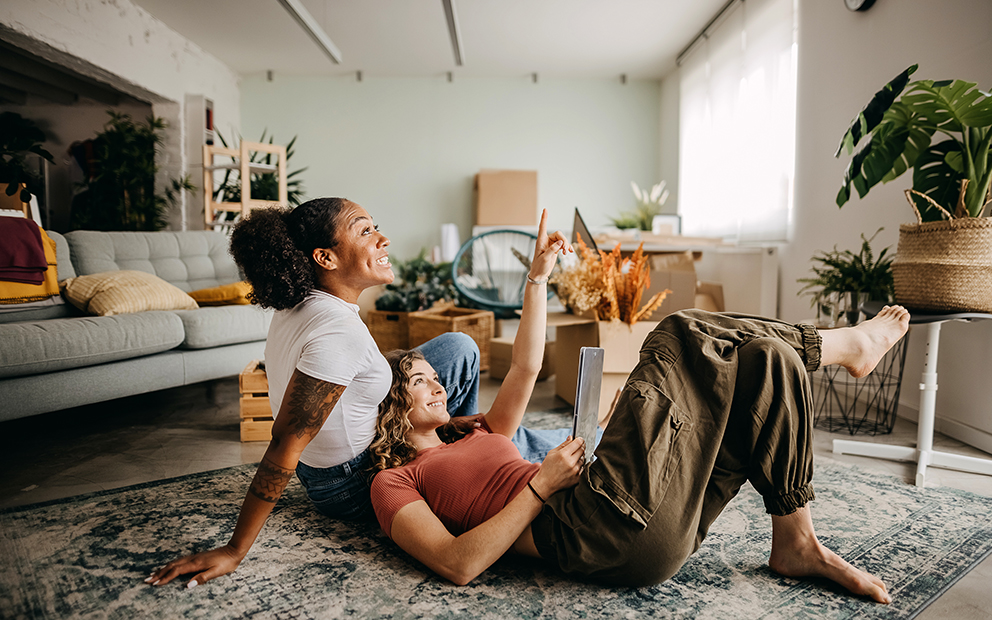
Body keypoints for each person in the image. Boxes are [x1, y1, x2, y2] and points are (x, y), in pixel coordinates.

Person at [368, 211, 909, 604]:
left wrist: (538, 278)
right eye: (420, 380)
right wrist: (541, 485)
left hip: (646, 520)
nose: (439, 385)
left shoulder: (477, 430)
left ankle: (796, 541)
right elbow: (457, 564)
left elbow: (526, 368)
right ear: (392, 404)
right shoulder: (394, 482)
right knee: (677, 330)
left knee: (765, 361)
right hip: (591, 529)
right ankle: (841, 347)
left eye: (436, 377)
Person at [145, 197, 562, 589]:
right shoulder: (336, 333)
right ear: (325, 257)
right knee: (502, 433)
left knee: (458, 349)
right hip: (348, 481)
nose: (383, 239)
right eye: (365, 232)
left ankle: (457, 449)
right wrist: (235, 550)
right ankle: (469, 477)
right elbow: (285, 445)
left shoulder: (304, 300)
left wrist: (443, 421)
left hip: (345, 450)